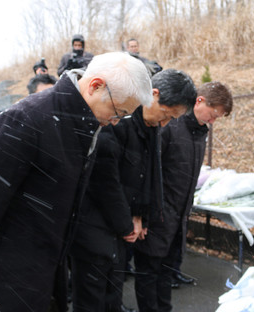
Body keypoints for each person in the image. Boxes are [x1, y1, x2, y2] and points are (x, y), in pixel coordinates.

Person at [0, 52, 153, 312]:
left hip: (45, 266)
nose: (115, 121)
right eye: (117, 111)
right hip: (5, 274)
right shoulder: (25, 120)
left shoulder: (81, 123)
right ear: (95, 86)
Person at [69, 68, 196, 312]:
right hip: (94, 227)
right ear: (153, 94)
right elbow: (105, 182)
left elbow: (149, 175)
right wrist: (126, 224)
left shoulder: (151, 125)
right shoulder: (117, 119)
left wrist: (141, 216)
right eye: (167, 114)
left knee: (113, 297)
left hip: (119, 230)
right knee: (92, 300)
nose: (165, 123)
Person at [133, 81, 233, 312]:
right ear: (199, 101)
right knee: (149, 274)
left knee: (167, 274)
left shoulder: (199, 133)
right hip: (156, 215)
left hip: (178, 217)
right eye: (213, 114)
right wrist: (142, 214)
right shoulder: (170, 125)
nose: (213, 120)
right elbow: (147, 171)